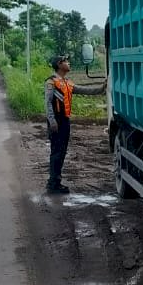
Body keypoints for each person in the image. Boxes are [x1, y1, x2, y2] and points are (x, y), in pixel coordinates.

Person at [44, 53, 106, 194]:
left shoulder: (67, 83)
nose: (68, 63)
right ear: (59, 64)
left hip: (65, 121)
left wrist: (102, 88)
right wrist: (52, 121)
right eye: (66, 61)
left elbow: (86, 90)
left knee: (62, 152)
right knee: (57, 153)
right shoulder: (51, 82)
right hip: (57, 122)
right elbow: (47, 103)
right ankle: (53, 184)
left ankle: (56, 182)